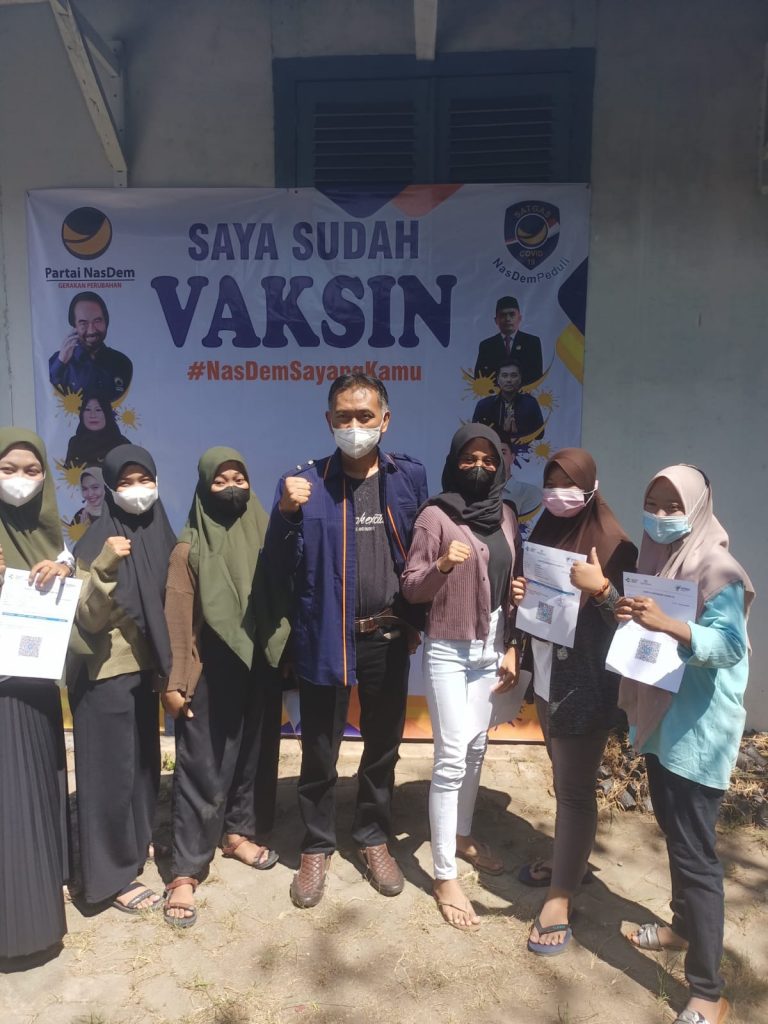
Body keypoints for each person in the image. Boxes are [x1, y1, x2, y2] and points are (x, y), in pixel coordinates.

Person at [264, 373, 427, 909]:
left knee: (382, 746)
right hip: (325, 637)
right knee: (319, 748)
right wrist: (285, 515)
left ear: (385, 420)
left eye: (364, 416)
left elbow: (420, 555)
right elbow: (277, 567)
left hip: (386, 634)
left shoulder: (408, 478)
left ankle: (373, 835)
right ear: (328, 421)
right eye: (343, 417)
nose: (354, 426)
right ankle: (317, 844)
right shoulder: (302, 484)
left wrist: (415, 622)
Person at [618, 466, 753, 1024]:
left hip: (697, 732)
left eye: (673, 506)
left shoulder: (719, 570)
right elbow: (648, 626)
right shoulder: (656, 561)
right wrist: (629, 613)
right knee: (675, 836)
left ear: (697, 509)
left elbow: (728, 646)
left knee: (697, 858)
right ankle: (680, 927)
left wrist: (670, 626)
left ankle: (708, 991)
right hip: (662, 722)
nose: (660, 515)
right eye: (652, 503)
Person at [511, 448, 637, 956]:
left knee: (576, 791)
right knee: (565, 782)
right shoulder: (546, 529)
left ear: (591, 488)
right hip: (549, 680)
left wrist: (602, 589)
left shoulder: (616, 546)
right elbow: (539, 603)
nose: (558, 495)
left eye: (570, 485)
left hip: (585, 686)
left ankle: (561, 896)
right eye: (551, 483)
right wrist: (521, 596)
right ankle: (571, 861)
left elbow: (631, 626)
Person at [161, 447, 290, 928]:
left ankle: (237, 834)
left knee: (252, 755)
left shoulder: (265, 532)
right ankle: (185, 870)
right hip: (209, 671)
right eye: (220, 481)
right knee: (202, 766)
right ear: (203, 488)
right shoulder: (187, 549)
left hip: (258, 664)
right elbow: (178, 624)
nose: (232, 487)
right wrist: (175, 683)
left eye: (239, 478)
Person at [401, 425, 522, 931]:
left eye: (488, 460)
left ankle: (462, 835)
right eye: (470, 458)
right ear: (454, 462)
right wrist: (443, 568)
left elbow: (512, 580)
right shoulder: (435, 516)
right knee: (451, 756)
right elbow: (411, 587)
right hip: (449, 648)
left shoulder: (507, 514)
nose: (479, 467)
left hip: (491, 644)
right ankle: (444, 875)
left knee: (476, 749)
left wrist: (512, 642)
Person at [70, 444, 175, 914]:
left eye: (144, 480)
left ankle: (133, 845)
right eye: (126, 482)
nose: (137, 490)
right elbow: (88, 619)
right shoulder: (95, 541)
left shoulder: (160, 531)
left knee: (141, 770)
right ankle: (108, 879)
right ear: (110, 488)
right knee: (109, 777)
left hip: (144, 673)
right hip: (104, 674)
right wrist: (106, 565)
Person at [0, 428, 76, 961]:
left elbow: (70, 562)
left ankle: (39, 908)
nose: (20, 480)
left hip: (37, 687)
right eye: (7, 469)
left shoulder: (53, 532)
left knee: (37, 797)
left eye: (32, 470)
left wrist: (64, 567)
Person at [49, 292, 133, 400]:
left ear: (106, 322)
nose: (91, 330)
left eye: (97, 321)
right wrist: (61, 364)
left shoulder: (123, 362)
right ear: (74, 326)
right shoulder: (57, 362)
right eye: (83, 323)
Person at [474, 296, 543, 388]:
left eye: (512, 314)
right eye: (503, 315)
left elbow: (536, 376)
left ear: (519, 318)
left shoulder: (532, 342)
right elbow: (479, 378)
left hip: (524, 395)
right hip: (495, 395)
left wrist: (515, 391)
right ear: (496, 320)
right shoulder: (486, 346)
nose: (507, 319)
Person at [472, 360, 544, 443]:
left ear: (520, 379)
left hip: (523, 449)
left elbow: (539, 434)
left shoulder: (530, 403)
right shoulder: (484, 405)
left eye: (513, 375)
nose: (509, 380)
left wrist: (518, 432)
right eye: (504, 376)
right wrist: (502, 433)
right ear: (498, 379)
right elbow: (475, 434)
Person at [63, 391, 130, 469]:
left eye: (98, 410)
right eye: (87, 409)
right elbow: (69, 471)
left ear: (107, 414)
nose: (92, 415)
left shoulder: (121, 443)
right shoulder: (75, 443)